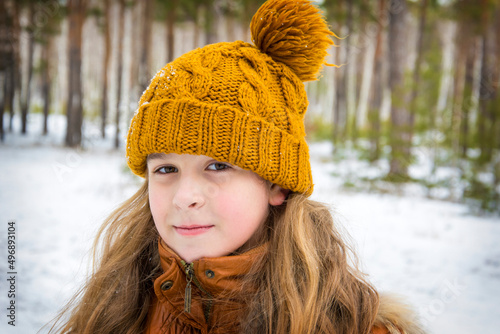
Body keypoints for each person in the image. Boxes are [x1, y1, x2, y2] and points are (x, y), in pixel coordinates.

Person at [51, 0, 426, 333]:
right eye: (166, 169)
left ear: (277, 185)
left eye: (217, 166)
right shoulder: (114, 307)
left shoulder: (350, 326)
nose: (184, 198)